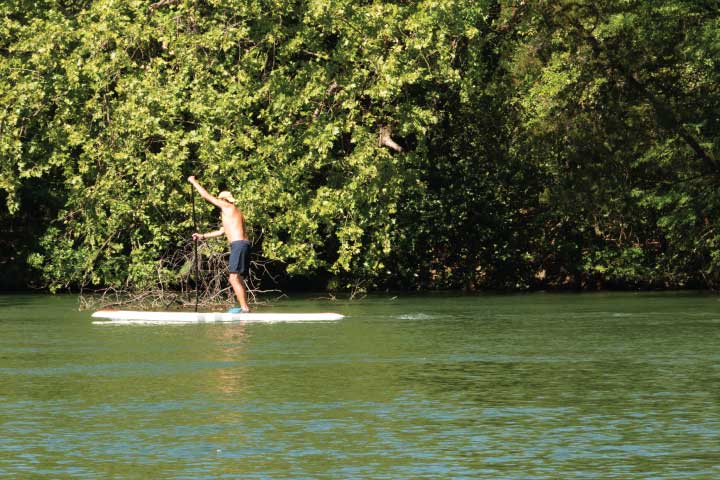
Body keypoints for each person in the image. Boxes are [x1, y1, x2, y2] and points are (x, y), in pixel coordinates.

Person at [188, 176, 251, 313]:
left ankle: (244, 309)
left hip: (239, 244)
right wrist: (202, 236)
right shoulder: (233, 213)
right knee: (237, 277)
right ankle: (245, 307)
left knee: (233, 278)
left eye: (220, 200)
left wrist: (193, 182)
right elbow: (222, 231)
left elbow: (206, 196)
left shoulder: (228, 206)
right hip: (242, 244)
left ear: (224, 200)